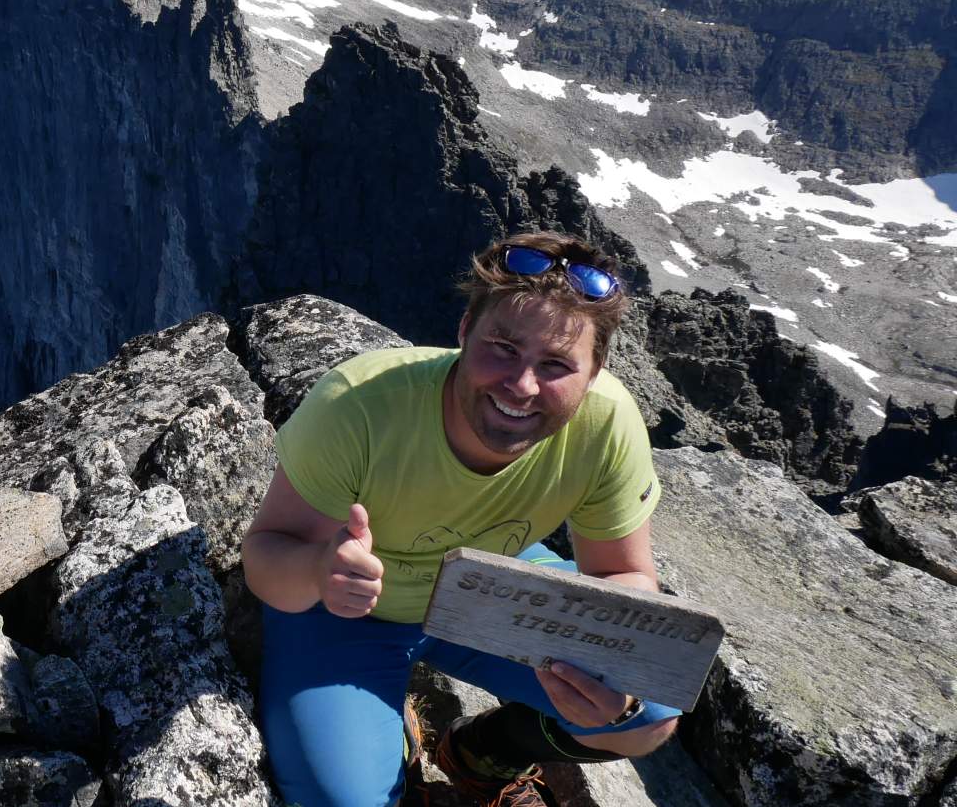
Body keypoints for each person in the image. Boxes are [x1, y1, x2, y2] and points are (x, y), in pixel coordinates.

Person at [243, 232, 681, 807]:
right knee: (342, 801)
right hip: (346, 613)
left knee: (648, 718)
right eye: (502, 347)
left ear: (595, 371)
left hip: (494, 589)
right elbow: (265, 557)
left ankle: (483, 753)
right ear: (464, 330)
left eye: (555, 364)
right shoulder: (360, 405)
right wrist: (320, 569)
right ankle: (392, 741)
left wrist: (614, 684)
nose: (521, 385)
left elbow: (624, 577)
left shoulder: (606, 424)